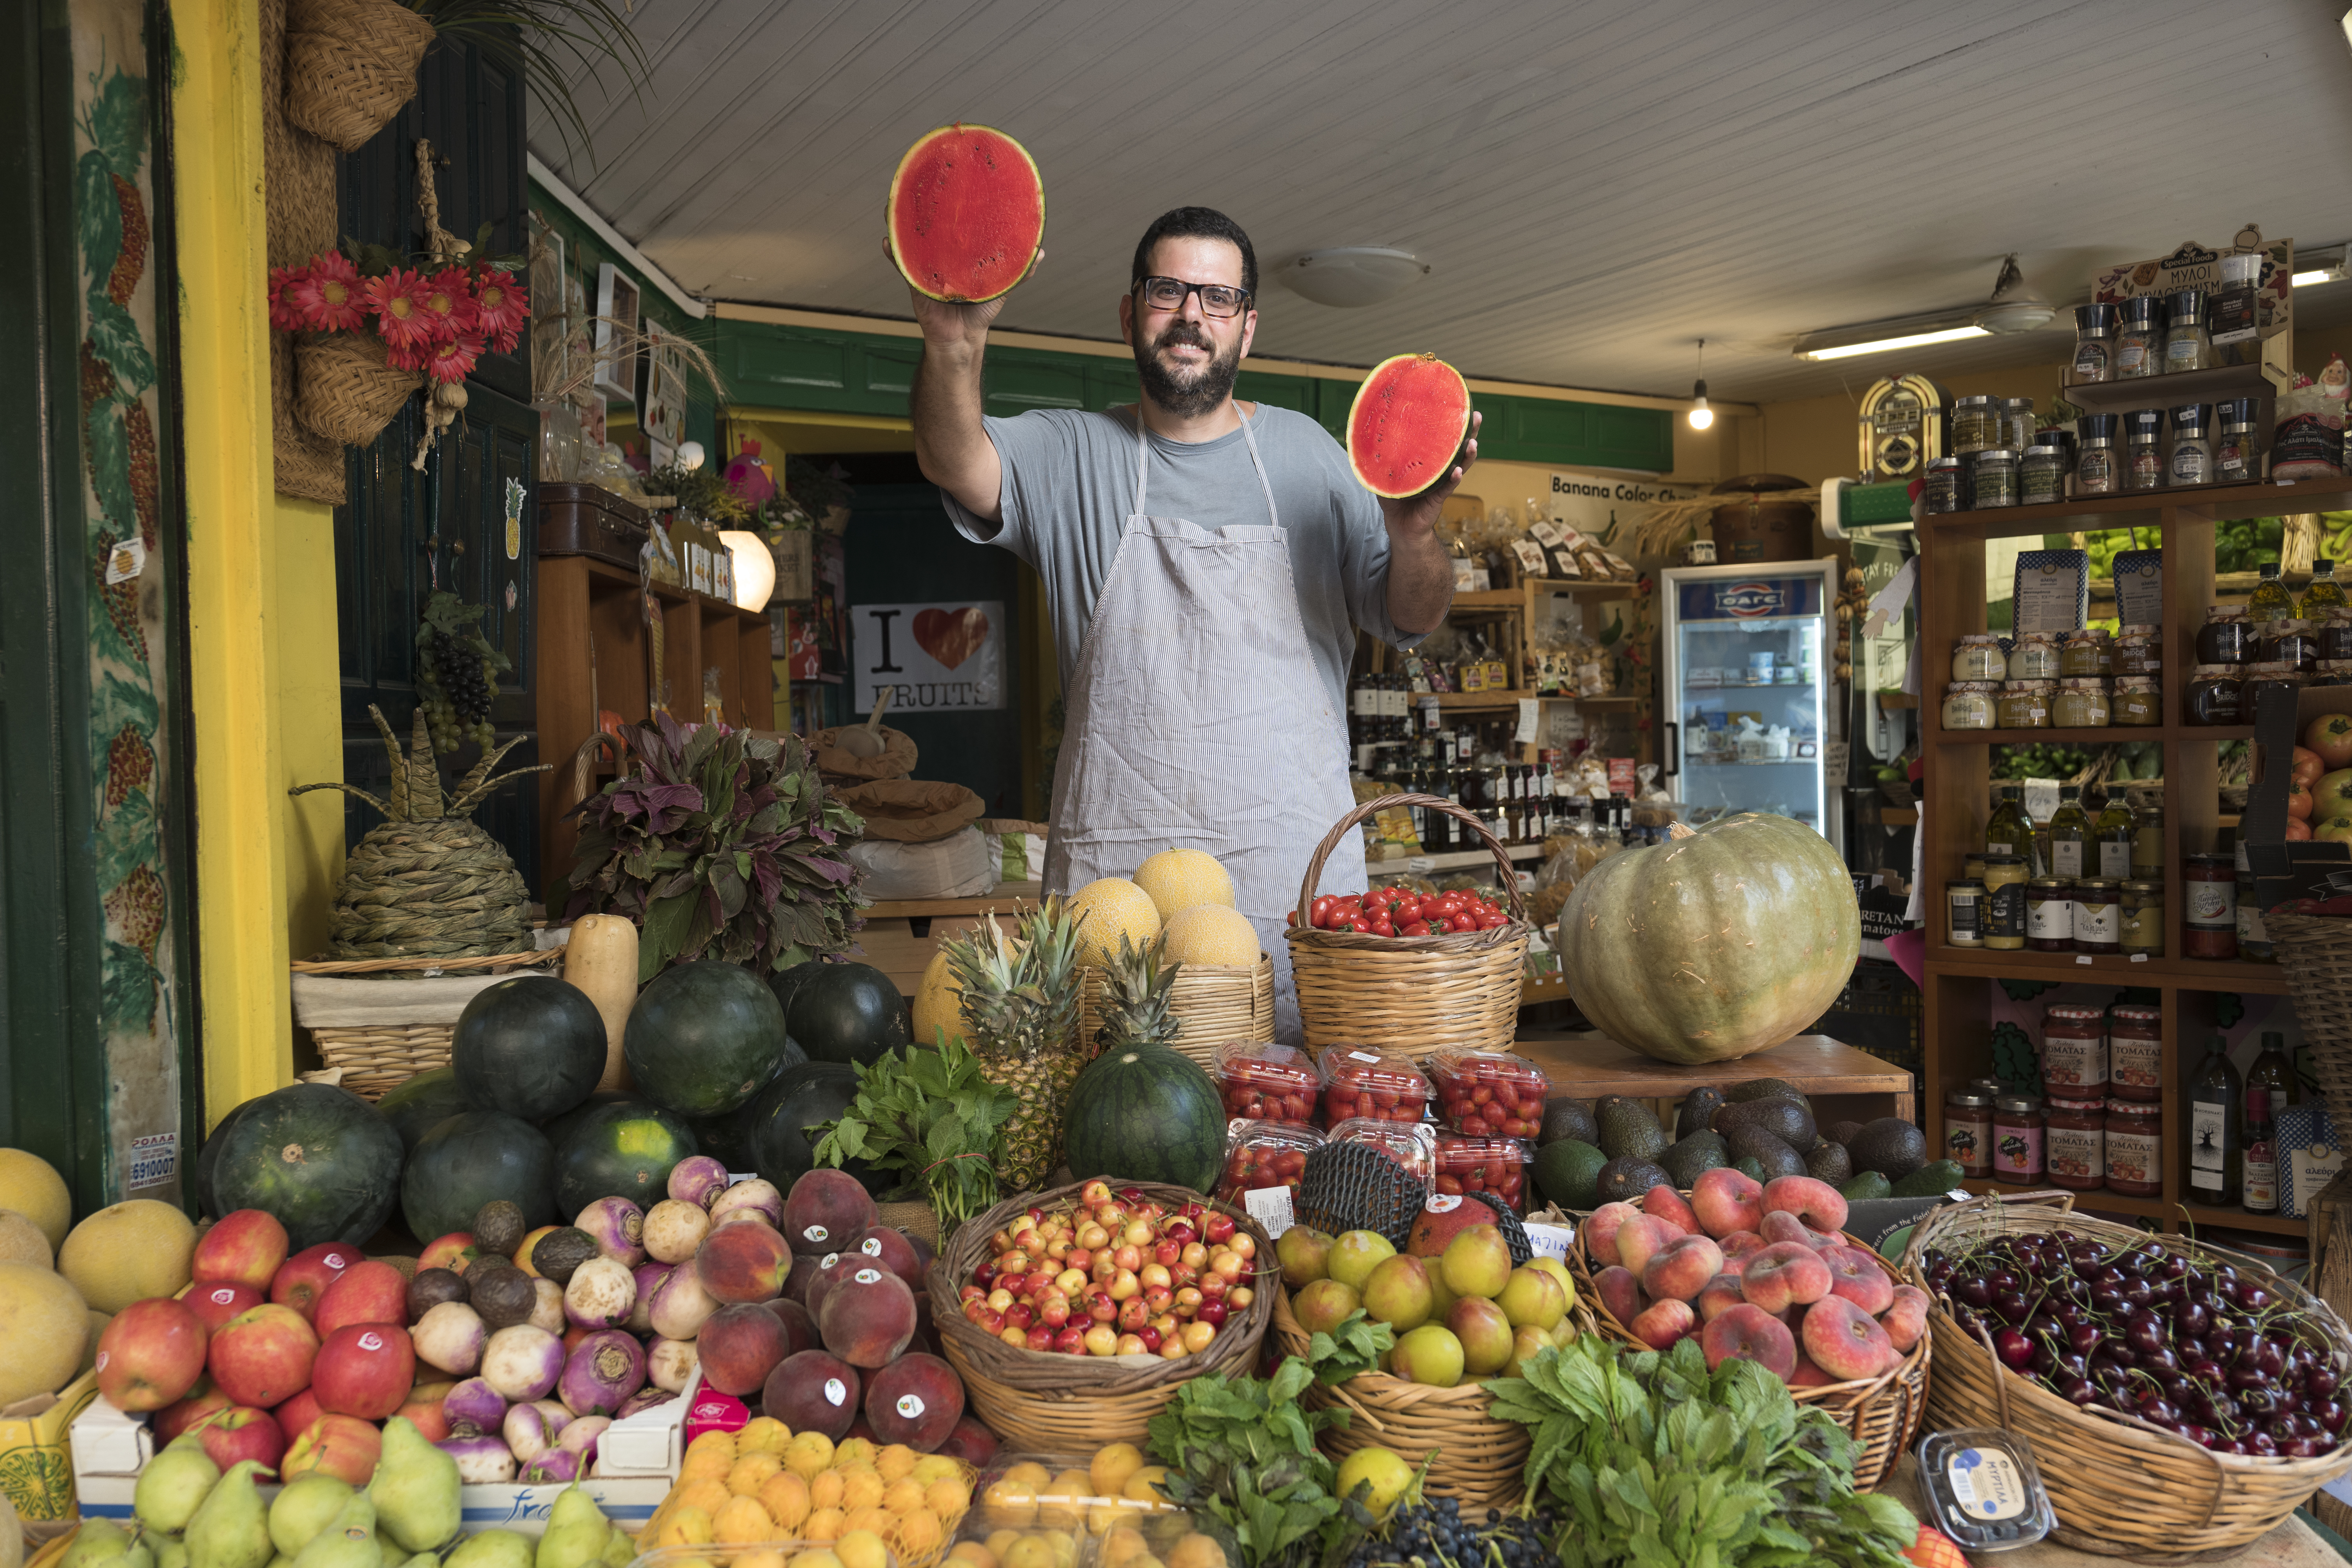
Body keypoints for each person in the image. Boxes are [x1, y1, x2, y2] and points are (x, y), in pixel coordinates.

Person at [906, 205, 1474, 1041]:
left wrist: (1417, 532)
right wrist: (954, 346)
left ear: (1248, 325)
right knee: (1118, 1125)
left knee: (1287, 1129)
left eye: (1216, 296)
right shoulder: (1073, 452)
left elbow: (1410, 616)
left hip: (1292, 887)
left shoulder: (1314, 457)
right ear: (1132, 311)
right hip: (1118, 896)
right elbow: (954, 459)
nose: (1191, 316)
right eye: (1169, 290)